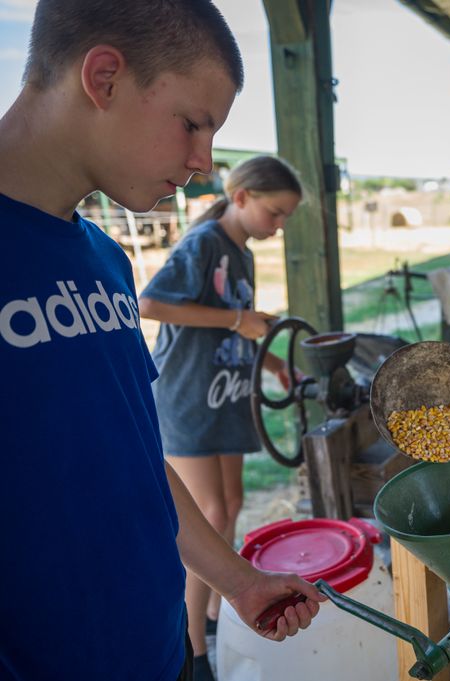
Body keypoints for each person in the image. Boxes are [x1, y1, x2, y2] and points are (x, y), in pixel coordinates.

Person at [0, 3, 324, 681]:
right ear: (106, 76)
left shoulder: (107, 262)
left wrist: (238, 581)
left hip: (158, 650)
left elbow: (136, 458)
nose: (205, 163)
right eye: (193, 123)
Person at [138, 155, 303, 678]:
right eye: (274, 213)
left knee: (230, 502)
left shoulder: (242, 255)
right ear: (241, 197)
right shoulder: (203, 244)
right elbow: (150, 305)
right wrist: (236, 317)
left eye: (285, 218)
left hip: (227, 393)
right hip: (188, 395)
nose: (278, 227)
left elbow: (243, 329)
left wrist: (275, 363)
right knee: (208, 513)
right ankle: (196, 647)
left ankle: (215, 612)